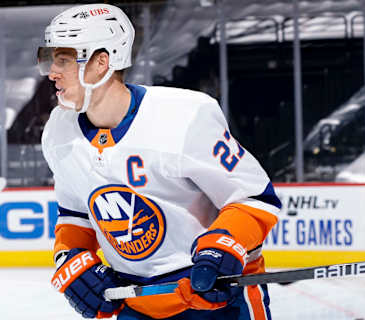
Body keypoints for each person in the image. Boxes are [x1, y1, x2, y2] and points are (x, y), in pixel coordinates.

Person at [39, 3, 281, 320]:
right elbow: (76, 215)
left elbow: (254, 198)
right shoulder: (59, 132)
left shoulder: (182, 117)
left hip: (215, 299)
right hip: (136, 304)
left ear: (101, 62)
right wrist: (71, 257)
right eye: (49, 59)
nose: (52, 72)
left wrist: (221, 249)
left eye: (64, 60)